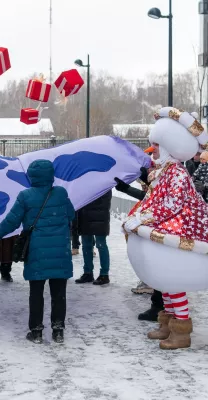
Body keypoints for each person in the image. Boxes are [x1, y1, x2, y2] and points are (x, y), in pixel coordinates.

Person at [124, 107, 208, 350]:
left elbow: (171, 204)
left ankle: (181, 330)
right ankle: (168, 323)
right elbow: (153, 199)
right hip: (170, 230)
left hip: (183, 233)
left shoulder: (177, 173)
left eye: (157, 145)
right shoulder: (164, 172)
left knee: (174, 278)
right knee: (166, 281)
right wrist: (139, 215)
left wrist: (145, 218)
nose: (154, 149)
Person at [0, 160, 75, 344]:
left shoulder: (25, 196)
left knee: (36, 294)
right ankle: (58, 331)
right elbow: (71, 215)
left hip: (37, 252)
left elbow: (11, 221)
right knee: (58, 294)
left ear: (31, 176)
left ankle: (36, 332)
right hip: (60, 252)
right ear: (51, 175)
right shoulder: (60, 193)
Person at [115, 167, 164, 320]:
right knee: (159, 272)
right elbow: (151, 196)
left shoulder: (174, 169)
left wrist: (141, 179)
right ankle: (161, 309)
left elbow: (156, 198)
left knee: (162, 273)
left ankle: (161, 309)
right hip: (159, 230)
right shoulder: (168, 166)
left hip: (164, 231)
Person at [75, 191, 112, 285]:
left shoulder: (105, 181)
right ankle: (88, 272)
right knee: (86, 245)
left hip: (100, 216)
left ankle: (104, 274)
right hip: (85, 215)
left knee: (101, 245)